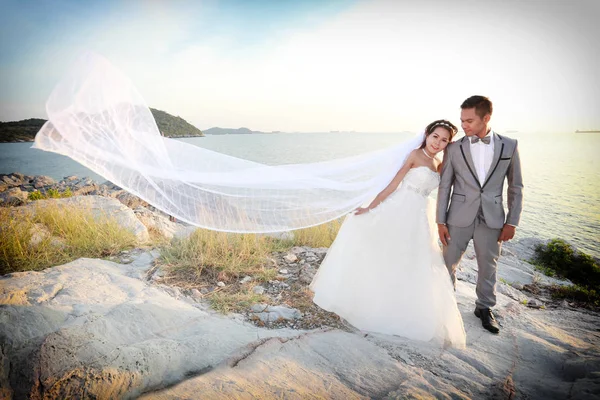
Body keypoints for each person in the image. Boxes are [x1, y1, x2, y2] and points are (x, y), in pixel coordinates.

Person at [310, 120, 467, 348]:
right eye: (435, 136)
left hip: (420, 215)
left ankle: (401, 306)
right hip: (399, 208)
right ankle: (370, 302)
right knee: (385, 253)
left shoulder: (440, 163)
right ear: (427, 134)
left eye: (444, 140)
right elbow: (394, 184)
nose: (438, 143)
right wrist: (370, 207)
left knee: (411, 259)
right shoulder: (414, 155)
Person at [436, 96, 523, 334]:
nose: (463, 125)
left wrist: (512, 222)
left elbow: (516, 187)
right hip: (458, 217)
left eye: (469, 120)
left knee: (488, 266)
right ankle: (446, 306)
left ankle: (484, 308)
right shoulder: (454, 148)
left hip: (493, 218)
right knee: (447, 264)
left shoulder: (509, 145)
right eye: (462, 120)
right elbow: (445, 186)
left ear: (486, 118)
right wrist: (440, 221)